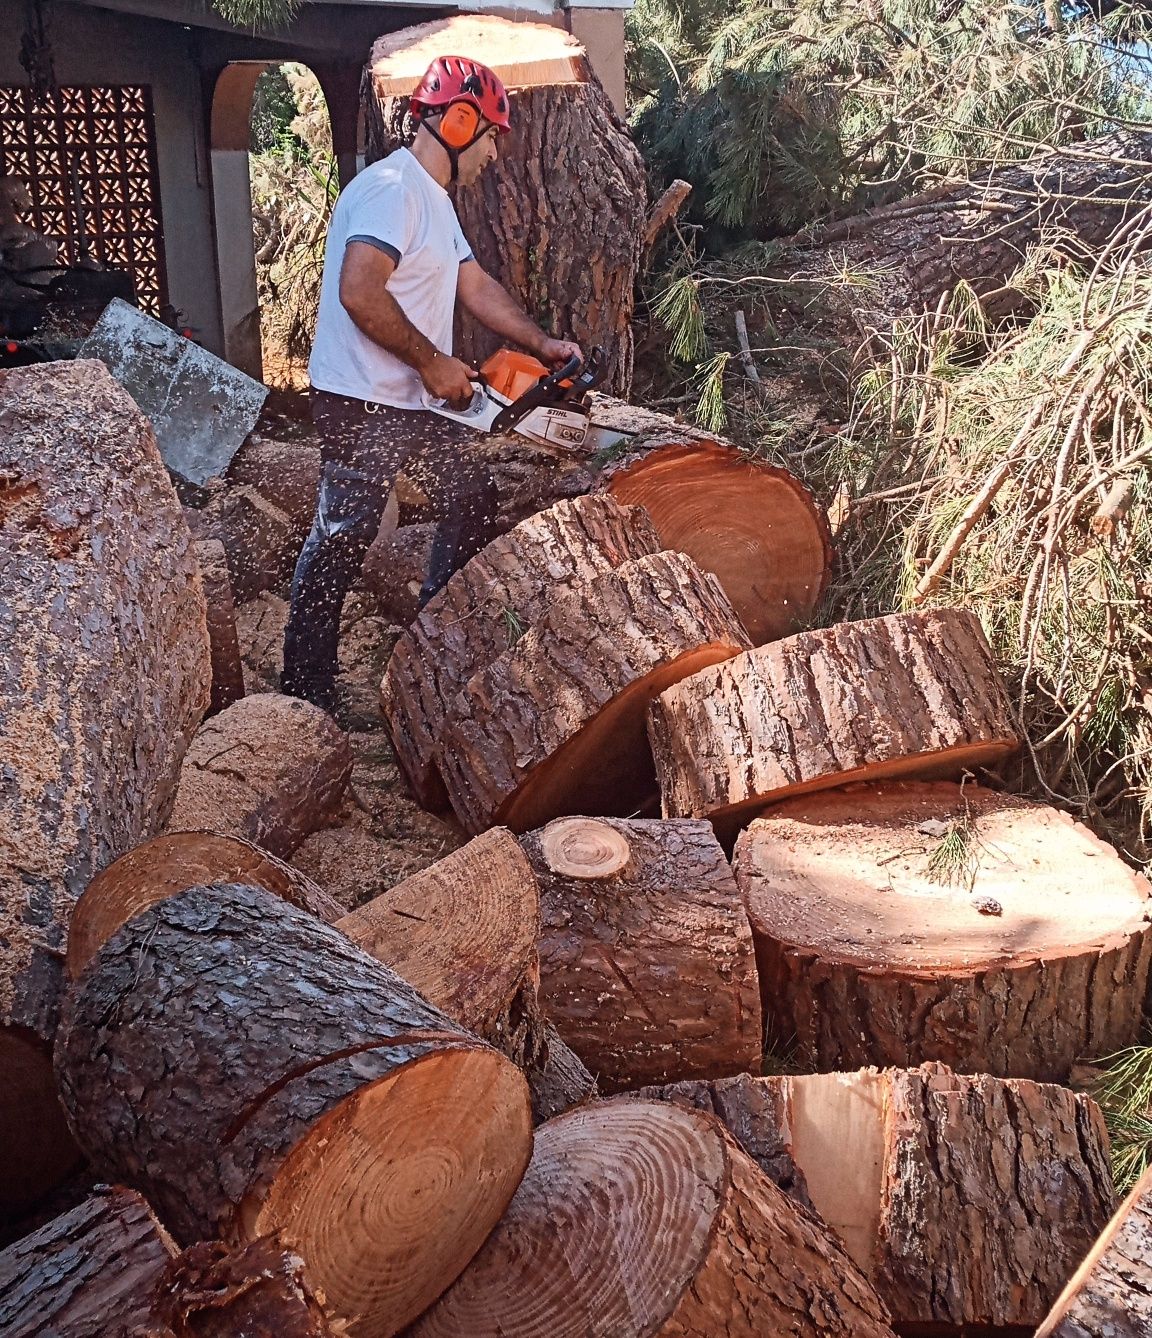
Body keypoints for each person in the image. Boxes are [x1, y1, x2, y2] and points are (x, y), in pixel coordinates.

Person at [282, 55, 581, 713]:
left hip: (405, 399)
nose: (495, 154)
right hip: (363, 399)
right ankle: (302, 696)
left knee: (469, 494)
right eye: (492, 136)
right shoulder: (393, 189)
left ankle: (426, 651)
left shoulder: (432, 199)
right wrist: (432, 363)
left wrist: (540, 342)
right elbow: (360, 291)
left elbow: (475, 286)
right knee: (343, 536)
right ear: (459, 119)